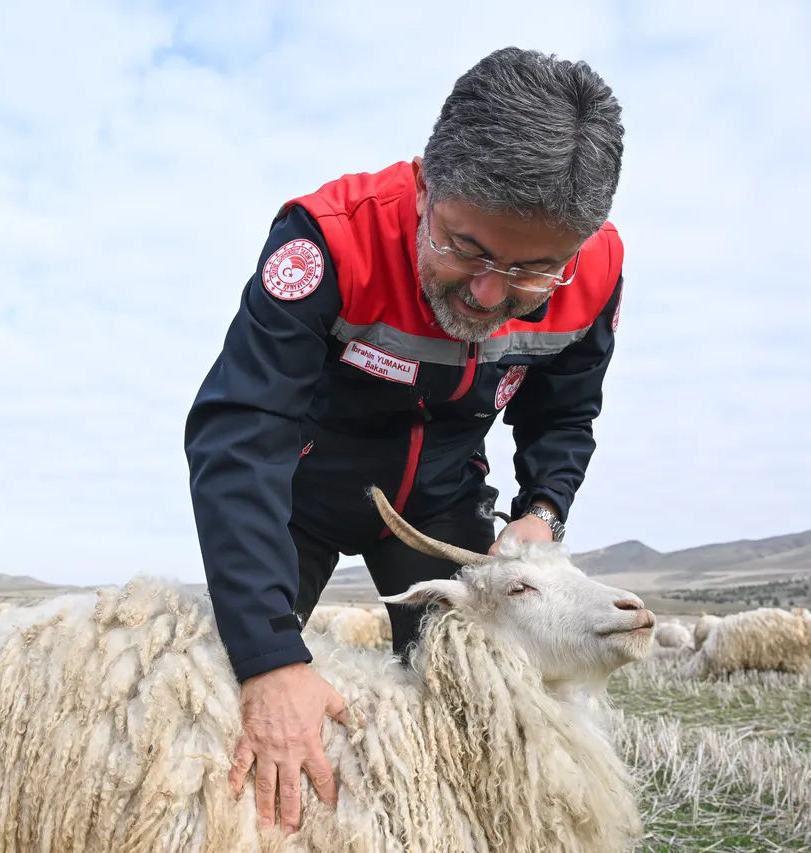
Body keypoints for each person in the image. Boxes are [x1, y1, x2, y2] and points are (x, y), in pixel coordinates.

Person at [184, 46, 626, 835]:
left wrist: (543, 510)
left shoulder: (592, 277)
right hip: (297, 501)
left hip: (442, 506)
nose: (490, 293)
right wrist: (271, 658)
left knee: (469, 726)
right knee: (239, 701)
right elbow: (243, 432)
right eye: (465, 247)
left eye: (532, 270)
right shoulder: (326, 244)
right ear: (426, 184)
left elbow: (562, 412)